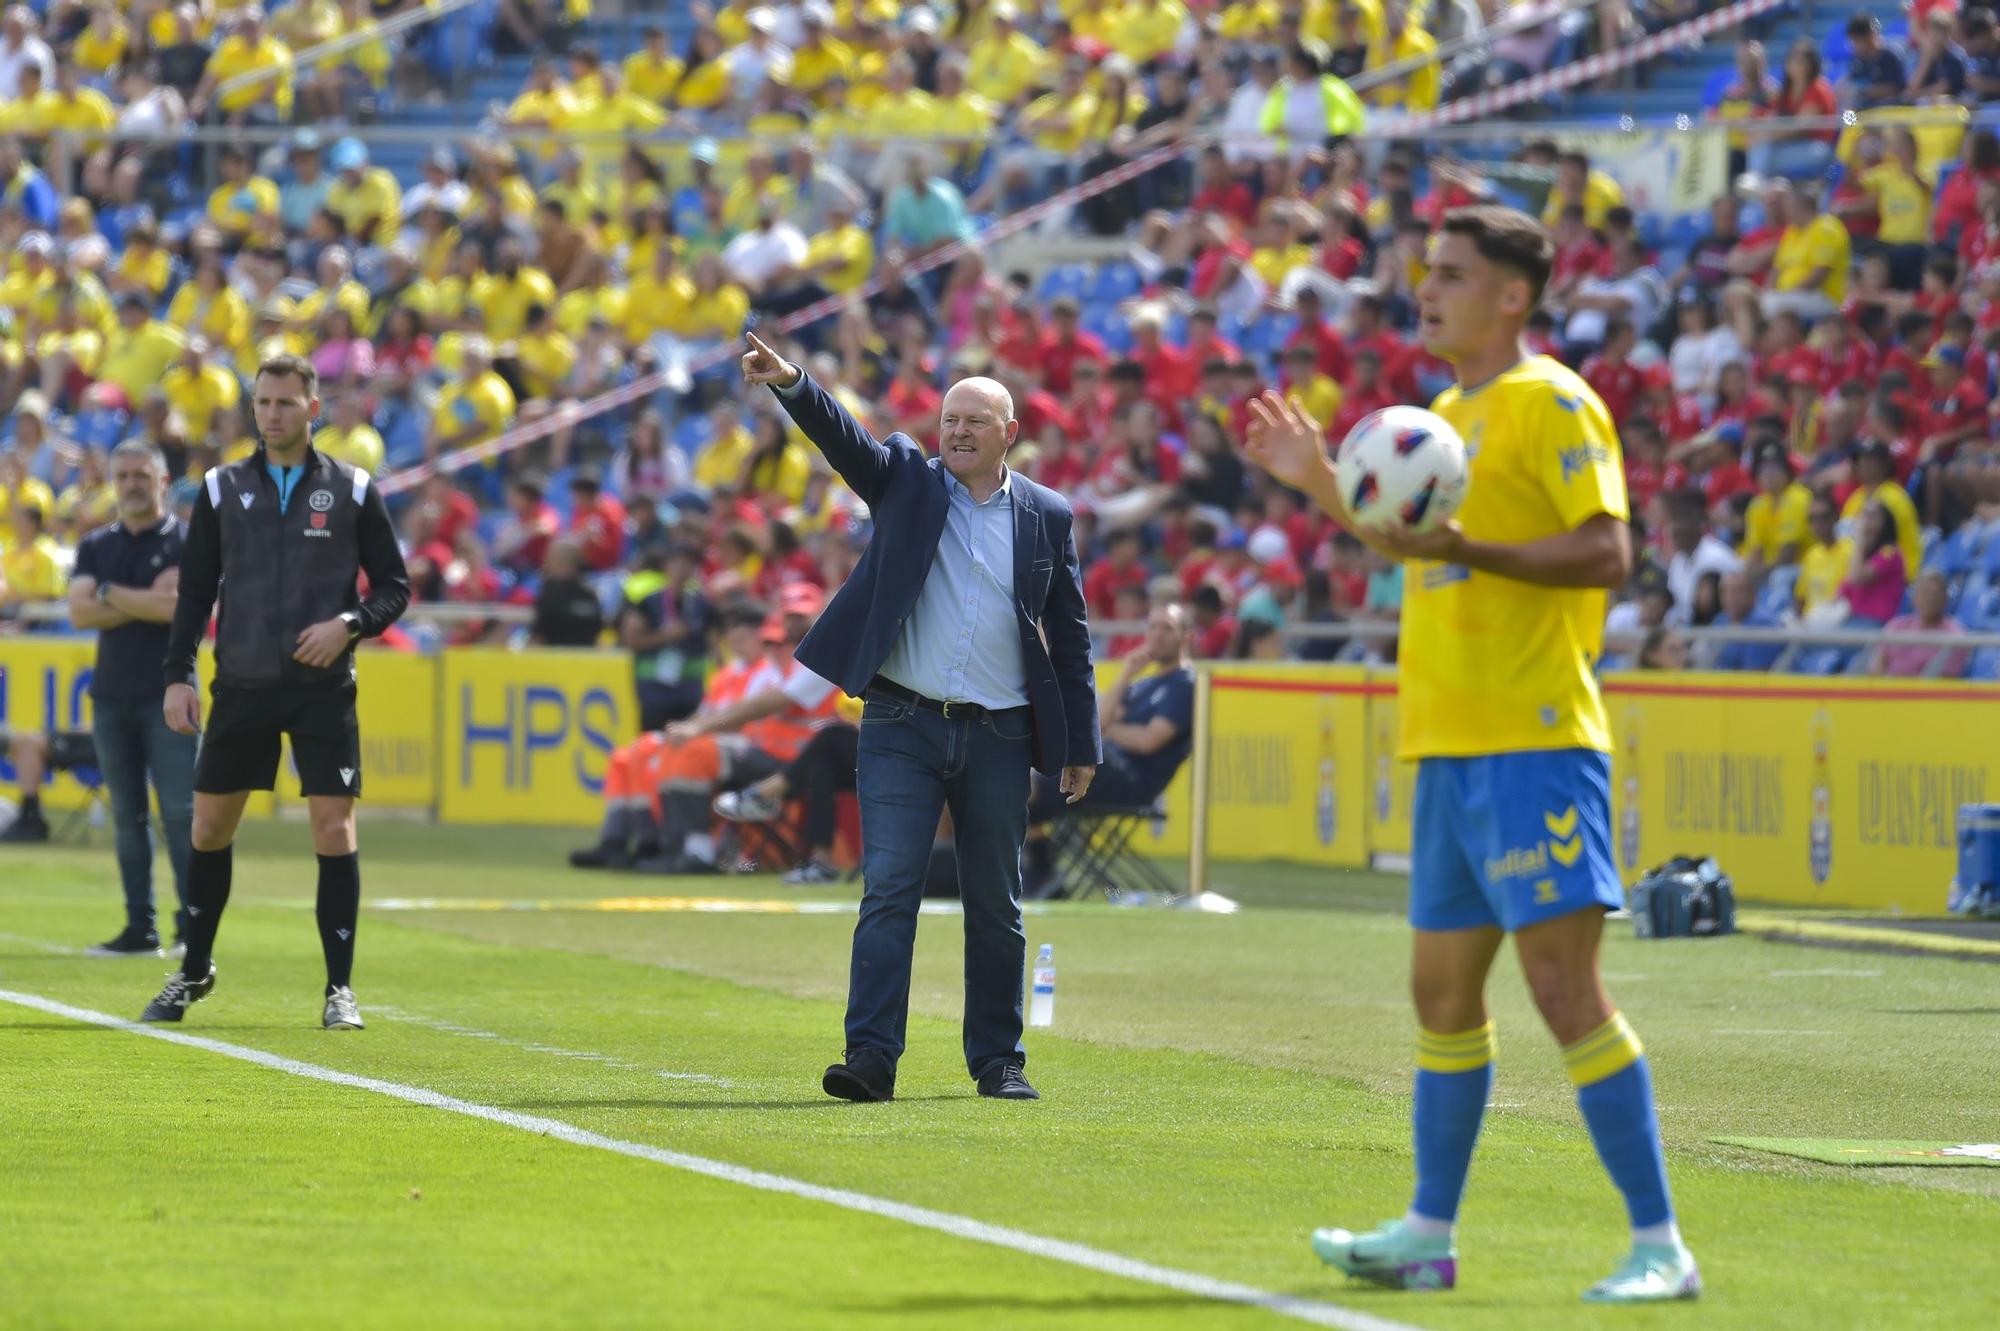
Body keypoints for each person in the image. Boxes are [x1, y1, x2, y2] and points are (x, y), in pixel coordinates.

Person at [1242, 206, 1699, 1302]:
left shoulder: (1552, 401)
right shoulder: (1440, 414)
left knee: (1561, 988)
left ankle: (1658, 1244)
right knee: (1440, 998)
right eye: (1422, 275)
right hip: (1443, 743)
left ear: (1511, 294)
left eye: (1448, 275)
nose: (1425, 292)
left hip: (1533, 739)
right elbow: (1416, 547)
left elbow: (1607, 549)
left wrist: (1464, 546)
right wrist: (1318, 482)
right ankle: (1424, 1233)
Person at [743, 329, 1100, 1105]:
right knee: (890, 888)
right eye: (950, 420)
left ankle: (999, 1060)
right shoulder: (906, 478)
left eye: (977, 420)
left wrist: (1080, 743)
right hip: (901, 723)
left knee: (997, 905)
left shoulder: (1048, 514)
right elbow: (847, 441)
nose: (959, 431)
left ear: (1011, 433)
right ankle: (870, 1056)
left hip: (1002, 732)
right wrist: (793, 383)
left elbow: (1069, 637)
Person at [145, 355, 410, 1029]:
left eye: (287, 402)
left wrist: (347, 625)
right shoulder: (219, 487)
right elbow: (194, 592)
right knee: (209, 826)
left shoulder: (352, 489)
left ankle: (339, 988)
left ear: (312, 407)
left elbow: (394, 588)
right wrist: (178, 674)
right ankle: (194, 967)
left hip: (323, 687)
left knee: (332, 826)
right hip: (241, 682)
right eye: (264, 402)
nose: (273, 414)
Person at [60, 441, 196, 955]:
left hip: (171, 695)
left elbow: (176, 610)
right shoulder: (97, 543)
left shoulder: (187, 540)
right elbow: (78, 614)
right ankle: (140, 927)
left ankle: (192, 927)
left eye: (142, 474)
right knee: (127, 817)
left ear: (162, 480)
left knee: (182, 815)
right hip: (112, 695)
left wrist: (108, 594)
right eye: (124, 477)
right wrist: (144, 599)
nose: (133, 484)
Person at [1022, 601, 1196, 899]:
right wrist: (1127, 673)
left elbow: (1148, 741)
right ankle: (1046, 880)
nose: (1157, 635)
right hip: (1107, 766)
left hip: (1131, 780)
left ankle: (1042, 878)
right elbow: (1098, 723)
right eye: (1152, 627)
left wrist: (1109, 730)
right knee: (1021, 792)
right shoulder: (1144, 684)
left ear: (1186, 637)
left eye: (1167, 628)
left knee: (1027, 785)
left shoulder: (1185, 684)